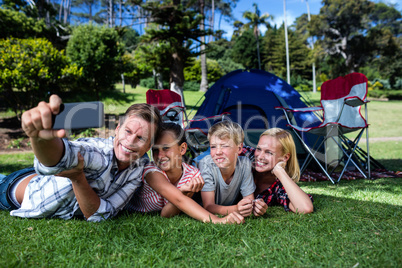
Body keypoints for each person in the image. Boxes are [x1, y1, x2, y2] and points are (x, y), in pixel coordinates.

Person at [0, 95, 162, 222]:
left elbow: (103, 215)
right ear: (117, 129)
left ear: (148, 146)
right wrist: (40, 137)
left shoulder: (138, 167)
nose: (131, 141)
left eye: (141, 138)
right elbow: (60, 159)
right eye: (127, 131)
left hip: (41, 178)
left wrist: (78, 178)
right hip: (14, 190)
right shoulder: (100, 153)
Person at [125, 123, 244, 224]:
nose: (160, 156)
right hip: (130, 211)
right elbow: (175, 204)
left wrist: (186, 193)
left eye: (166, 148)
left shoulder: (192, 175)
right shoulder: (151, 171)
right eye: (155, 150)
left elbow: (168, 212)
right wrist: (217, 221)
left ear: (182, 149)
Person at [242, 128, 314, 215]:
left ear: (285, 157)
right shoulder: (246, 155)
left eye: (269, 152)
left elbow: (305, 208)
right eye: (259, 149)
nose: (260, 156)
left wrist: (280, 171)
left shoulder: (278, 186)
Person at [199, 120, 256, 217]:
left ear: (239, 148)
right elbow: (208, 206)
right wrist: (236, 209)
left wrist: (254, 207)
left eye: (224, 146)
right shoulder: (206, 164)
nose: (218, 152)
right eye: (213, 147)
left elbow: (249, 201)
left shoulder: (244, 163)